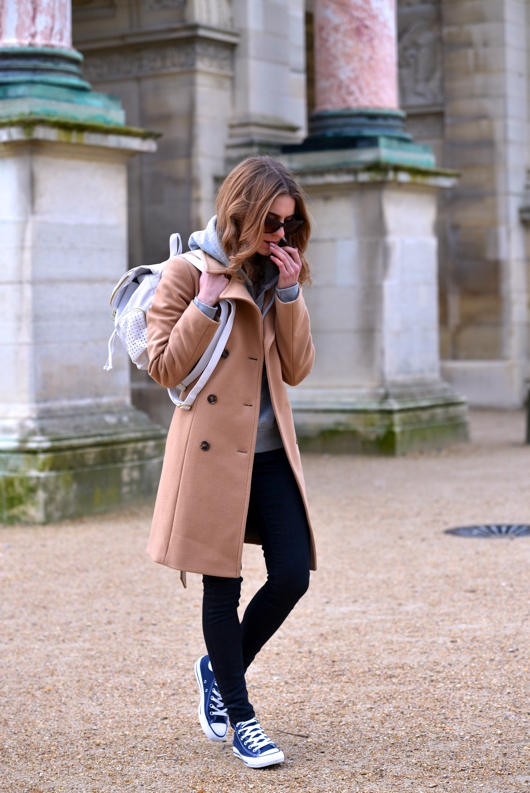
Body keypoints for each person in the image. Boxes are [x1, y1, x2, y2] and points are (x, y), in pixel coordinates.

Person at [145, 156, 317, 769]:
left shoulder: (277, 279)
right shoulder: (186, 270)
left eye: (289, 227)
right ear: (241, 210)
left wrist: (291, 293)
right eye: (271, 223)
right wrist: (206, 305)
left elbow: (296, 370)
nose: (279, 237)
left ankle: (217, 668)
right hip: (215, 456)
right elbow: (164, 366)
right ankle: (242, 718)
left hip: (270, 455)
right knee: (223, 589)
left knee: (293, 574)